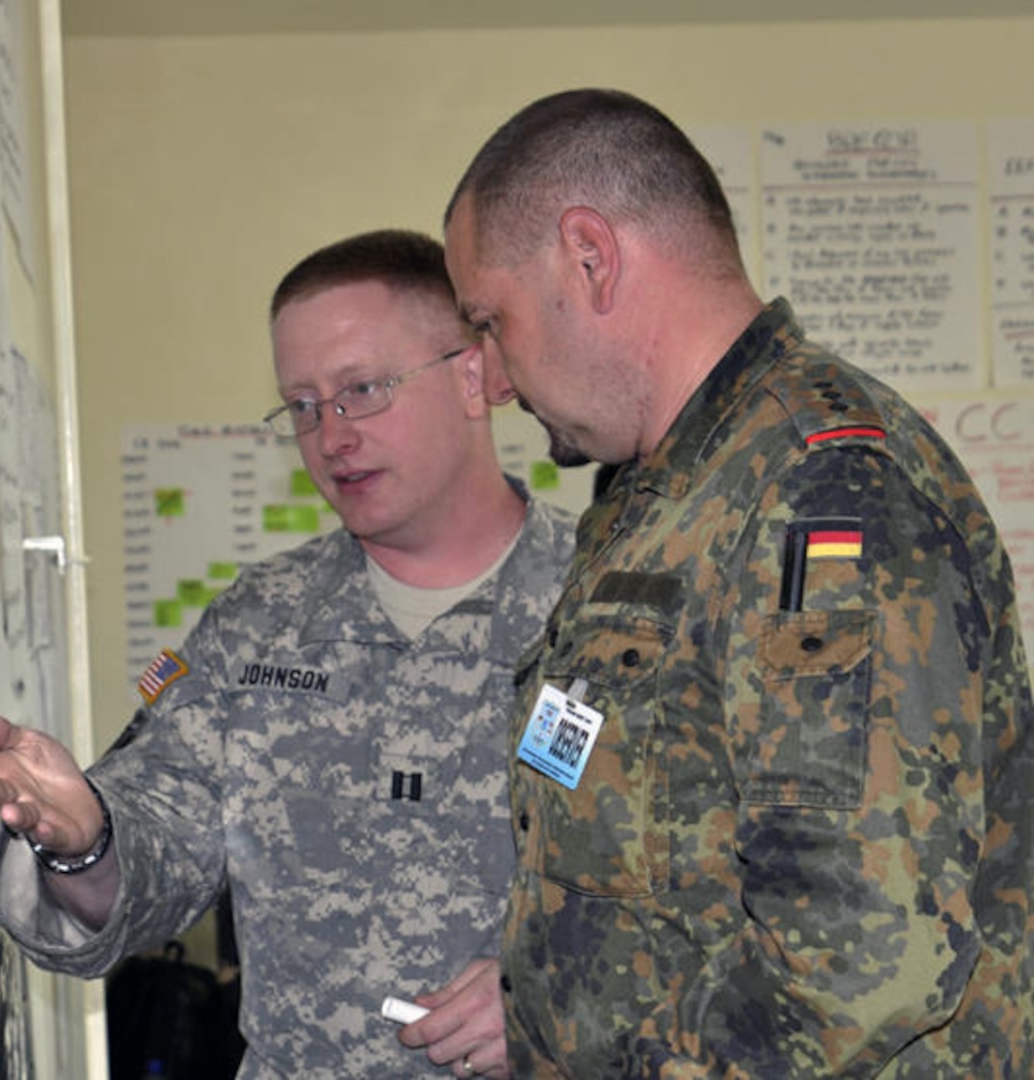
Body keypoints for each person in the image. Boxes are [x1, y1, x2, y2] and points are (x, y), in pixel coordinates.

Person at [443, 87, 1034, 1077]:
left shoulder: (824, 489)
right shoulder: (654, 492)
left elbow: (860, 964)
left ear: (589, 257)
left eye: (489, 322)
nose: (494, 380)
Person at [0, 228, 577, 1079]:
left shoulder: (603, 611)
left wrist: (560, 999)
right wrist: (81, 836)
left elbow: (727, 894)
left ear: (474, 375)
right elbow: (152, 854)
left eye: (362, 390)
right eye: (302, 406)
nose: (330, 435)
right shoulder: (260, 622)